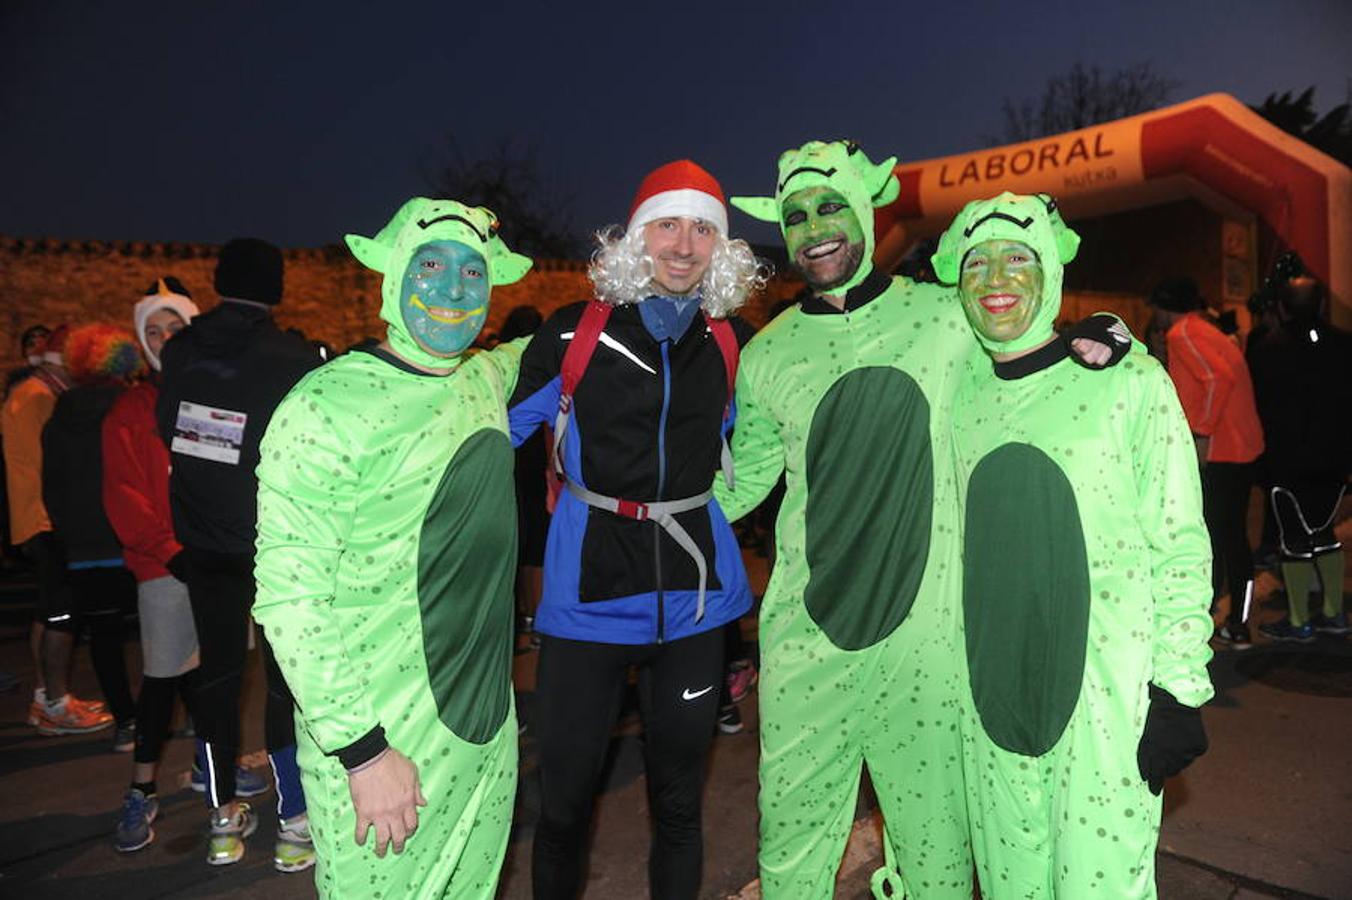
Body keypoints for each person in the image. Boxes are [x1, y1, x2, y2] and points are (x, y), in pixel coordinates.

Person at [719, 141, 1125, 898]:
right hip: (810, 641)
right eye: (798, 215)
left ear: (865, 213)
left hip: (930, 646)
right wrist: (626, 490)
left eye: (832, 206)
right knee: (791, 843)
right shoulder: (768, 352)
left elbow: (1026, 342)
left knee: (937, 852)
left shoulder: (945, 315)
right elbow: (738, 484)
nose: (816, 229)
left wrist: (1096, 329)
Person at [934, 191, 1213, 898]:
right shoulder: (954, 386)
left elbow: (1177, 540)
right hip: (989, 699)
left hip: (1105, 707)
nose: (997, 280)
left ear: (1053, 268)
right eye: (978, 263)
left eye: (1019, 258)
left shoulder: (1132, 383)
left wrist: (1178, 688)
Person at [254, 199, 531, 898]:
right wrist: (363, 753)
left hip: (485, 740)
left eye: (473, 270)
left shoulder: (484, 380)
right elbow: (290, 598)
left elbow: (571, 345)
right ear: (391, 275)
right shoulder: (323, 406)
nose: (452, 288)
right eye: (430, 264)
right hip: (383, 751)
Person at [508, 160, 763, 900]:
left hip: (693, 607)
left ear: (722, 248)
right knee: (562, 809)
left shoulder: (732, 343)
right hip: (586, 599)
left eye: (702, 229)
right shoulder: (570, 335)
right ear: (636, 236)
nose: (683, 245)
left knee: (679, 807)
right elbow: (478, 433)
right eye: (667, 224)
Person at [155, 238, 318, 868]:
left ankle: (222, 819)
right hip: (273, 543)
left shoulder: (181, 350)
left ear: (218, 281)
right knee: (284, 686)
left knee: (218, 678)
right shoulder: (294, 357)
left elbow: (167, 431)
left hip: (205, 544)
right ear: (275, 288)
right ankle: (295, 821)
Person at [3, 325, 113, 735]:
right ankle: (55, 704)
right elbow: (49, 466)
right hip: (46, 520)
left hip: (39, 518)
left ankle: (48, 697)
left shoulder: (34, 392)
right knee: (62, 615)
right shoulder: (37, 398)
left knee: (47, 612)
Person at [41, 324, 145, 751]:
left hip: (85, 546)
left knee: (105, 637)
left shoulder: (59, 415)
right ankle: (190, 716)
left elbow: (53, 486)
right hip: (132, 538)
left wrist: (69, 535)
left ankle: (125, 721)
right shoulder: (130, 406)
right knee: (162, 633)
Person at [1148, 277, 1264, 649]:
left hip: (1220, 451)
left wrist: (1199, 425)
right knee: (1232, 538)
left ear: (1164, 308)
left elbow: (1217, 378)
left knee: (1213, 538)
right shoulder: (1206, 330)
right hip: (1241, 448)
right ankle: (1237, 621)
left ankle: (1213, 614)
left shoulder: (1181, 334)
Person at [1246, 259, 1351, 641]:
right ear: (1321, 305)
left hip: (1285, 461)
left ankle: (1297, 620)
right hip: (1333, 462)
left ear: (1283, 306)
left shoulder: (1267, 349)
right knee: (1325, 534)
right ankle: (1334, 613)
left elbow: (1257, 405)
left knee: (1293, 540)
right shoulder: (1343, 344)